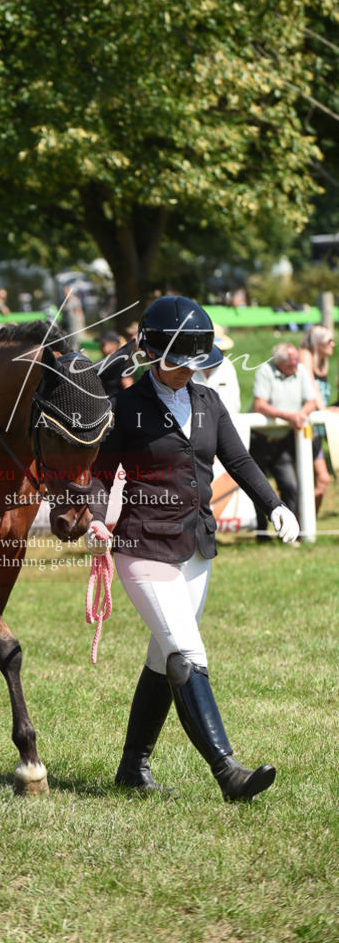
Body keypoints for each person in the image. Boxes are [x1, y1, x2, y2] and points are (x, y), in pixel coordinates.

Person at [86, 295, 299, 801]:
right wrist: (95, 517)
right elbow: (98, 475)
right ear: (152, 356)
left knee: (163, 657)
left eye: (196, 363)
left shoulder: (208, 401)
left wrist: (275, 505)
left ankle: (132, 768)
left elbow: (240, 461)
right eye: (180, 363)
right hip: (143, 545)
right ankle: (228, 772)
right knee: (186, 652)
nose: (189, 372)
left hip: (197, 545)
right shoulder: (125, 408)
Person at [249, 343, 317, 538]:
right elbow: (260, 405)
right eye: (291, 360)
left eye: (297, 359)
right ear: (279, 362)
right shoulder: (265, 371)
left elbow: (311, 401)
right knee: (255, 488)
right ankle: (261, 533)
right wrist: (290, 417)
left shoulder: (300, 370)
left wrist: (301, 414)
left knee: (290, 486)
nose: (296, 363)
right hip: (258, 440)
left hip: (281, 442)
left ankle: (287, 531)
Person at [299, 325, 335, 513]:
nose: (333, 344)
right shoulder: (305, 355)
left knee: (322, 479)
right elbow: (311, 386)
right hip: (304, 429)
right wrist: (324, 410)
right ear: (317, 343)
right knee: (304, 483)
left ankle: (305, 524)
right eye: (329, 341)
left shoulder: (323, 363)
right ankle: (298, 523)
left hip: (317, 430)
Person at [191, 324, 241, 414]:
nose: (221, 355)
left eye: (222, 351)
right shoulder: (187, 367)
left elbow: (234, 405)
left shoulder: (227, 365)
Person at [94, 330, 134, 402]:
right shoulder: (100, 363)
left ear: (114, 344)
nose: (101, 345)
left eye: (103, 343)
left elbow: (128, 388)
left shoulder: (122, 364)